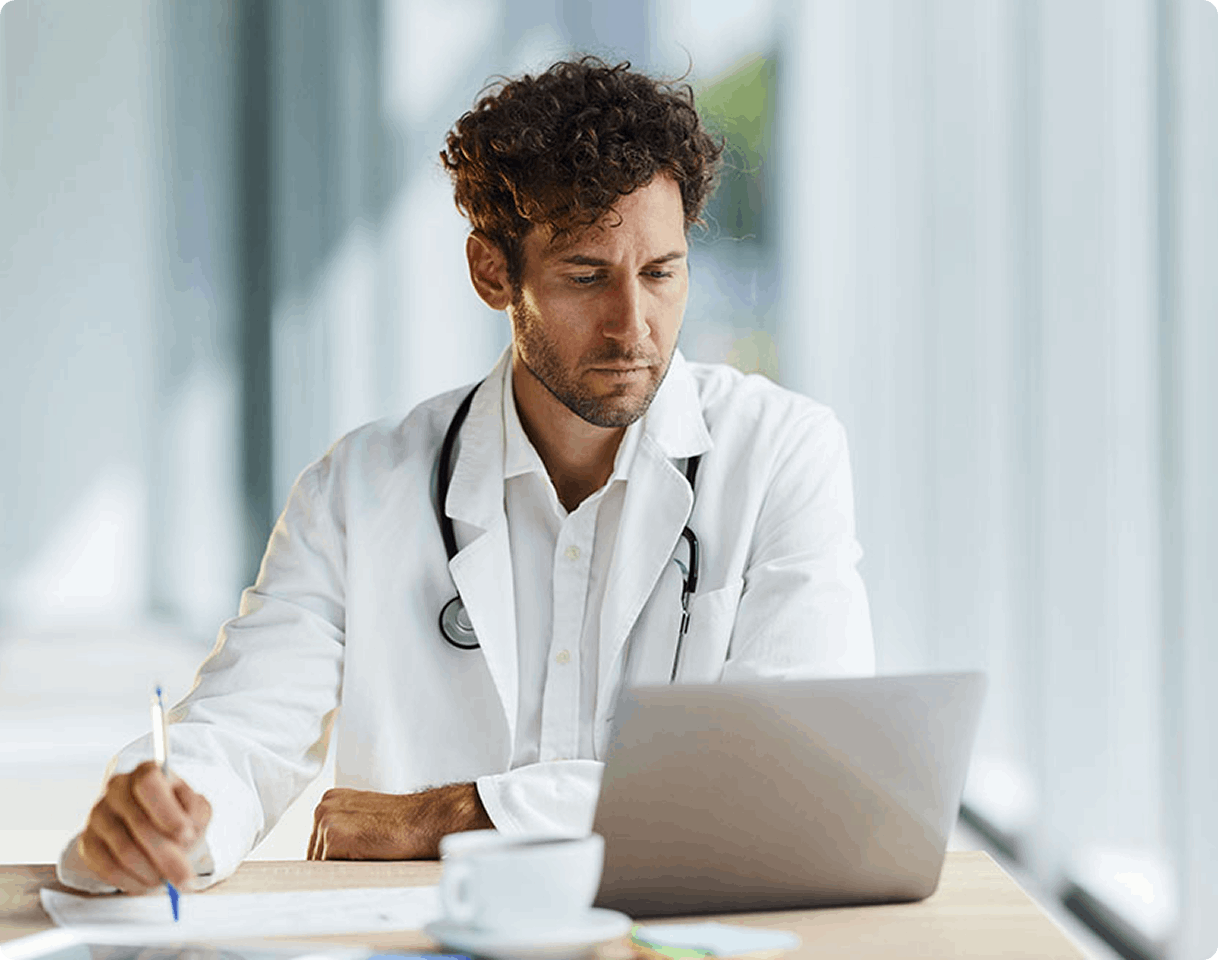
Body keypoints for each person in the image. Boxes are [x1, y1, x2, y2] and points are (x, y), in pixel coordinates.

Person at [59, 57, 874, 895]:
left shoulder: (781, 454)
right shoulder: (361, 490)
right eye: (587, 276)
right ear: (493, 273)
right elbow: (240, 731)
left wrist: (445, 815)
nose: (635, 325)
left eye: (661, 273)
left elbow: (788, 778)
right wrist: (168, 811)